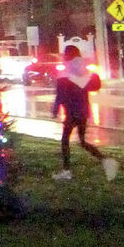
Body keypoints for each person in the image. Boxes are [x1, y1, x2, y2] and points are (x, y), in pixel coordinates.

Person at [51, 46, 116, 181]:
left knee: (65, 141)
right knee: (82, 141)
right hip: (83, 111)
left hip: (71, 112)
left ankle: (66, 170)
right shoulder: (83, 69)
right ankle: (105, 160)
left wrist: (55, 109)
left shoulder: (65, 71)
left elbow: (60, 94)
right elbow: (94, 86)